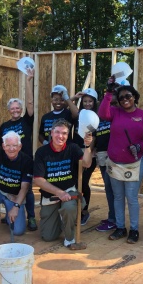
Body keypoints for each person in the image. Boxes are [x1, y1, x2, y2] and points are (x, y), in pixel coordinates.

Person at [98, 80, 143, 244]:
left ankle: (134, 230)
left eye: (128, 96)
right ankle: (120, 228)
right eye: (121, 97)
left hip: (135, 162)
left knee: (131, 197)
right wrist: (109, 92)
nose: (124, 99)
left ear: (135, 97)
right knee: (118, 197)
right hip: (115, 162)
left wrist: (139, 145)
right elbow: (102, 113)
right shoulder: (115, 112)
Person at [33, 119, 93, 248]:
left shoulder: (73, 148)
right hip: (51, 195)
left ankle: (69, 237)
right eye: (57, 132)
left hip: (70, 192)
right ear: (51, 133)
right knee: (48, 237)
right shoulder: (42, 152)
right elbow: (38, 179)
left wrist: (87, 147)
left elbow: (87, 163)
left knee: (69, 208)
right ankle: (62, 219)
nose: (61, 136)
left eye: (64, 133)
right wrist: (59, 193)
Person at [0, 68, 37, 231]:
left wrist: (28, 81)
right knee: (9, 189)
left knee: (27, 190)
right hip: (9, 164)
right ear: (9, 110)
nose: (15, 110)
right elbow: (0, 146)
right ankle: (9, 214)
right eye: (12, 108)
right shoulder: (5, 126)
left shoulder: (26, 121)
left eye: (17, 108)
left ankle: (32, 217)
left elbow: (30, 104)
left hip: (25, 162)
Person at [71, 88, 99, 226]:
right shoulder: (79, 115)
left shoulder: (94, 117)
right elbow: (67, 104)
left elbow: (92, 137)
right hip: (75, 151)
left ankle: (84, 211)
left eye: (90, 101)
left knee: (84, 182)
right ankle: (76, 209)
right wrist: (75, 97)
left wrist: (89, 151)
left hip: (87, 152)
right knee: (76, 182)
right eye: (85, 101)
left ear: (95, 102)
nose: (87, 103)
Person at [95, 91, 119, 232]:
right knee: (108, 188)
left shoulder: (115, 116)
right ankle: (112, 216)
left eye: (113, 103)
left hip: (114, 156)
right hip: (102, 154)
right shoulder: (99, 118)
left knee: (114, 190)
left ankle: (114, 220)